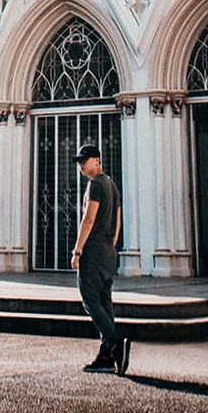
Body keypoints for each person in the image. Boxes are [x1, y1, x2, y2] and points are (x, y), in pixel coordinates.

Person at [70, 143, 131, 375]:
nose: (81, 165)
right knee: (105, 302)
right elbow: (118, 219)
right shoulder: (112, 185)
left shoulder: (95, 185)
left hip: (94, 252)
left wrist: (77, 251)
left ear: (97, 160)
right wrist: (112, 245)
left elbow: (88, 219)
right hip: (107, 252)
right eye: (79, 162)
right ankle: (106, 355)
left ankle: (115, 343)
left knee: (90, 301)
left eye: (84, 160)